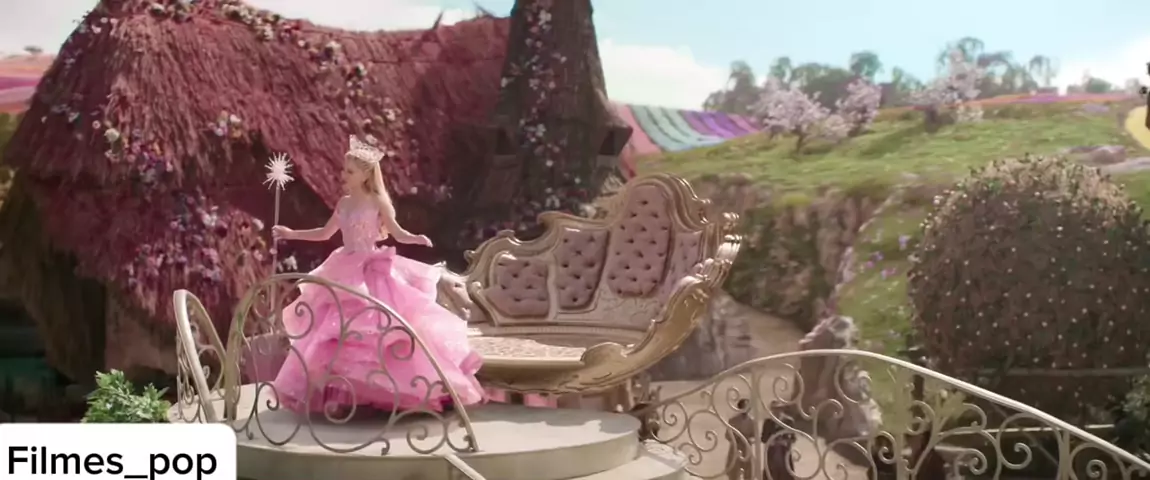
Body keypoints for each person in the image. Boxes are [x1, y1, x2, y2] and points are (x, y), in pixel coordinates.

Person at [269, 135, 484, 416]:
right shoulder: (344, 203)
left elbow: (397, 232)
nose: (343, 175)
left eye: (349, 171)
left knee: (380, 324)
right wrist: (291, 233)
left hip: (372, 267)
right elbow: (324, 233)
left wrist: (415, 238)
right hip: (344, 266)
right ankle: (344, 392)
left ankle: (390, 389)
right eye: (344, 170)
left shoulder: (377, 202)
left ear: (365, 174)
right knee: (334, 324)